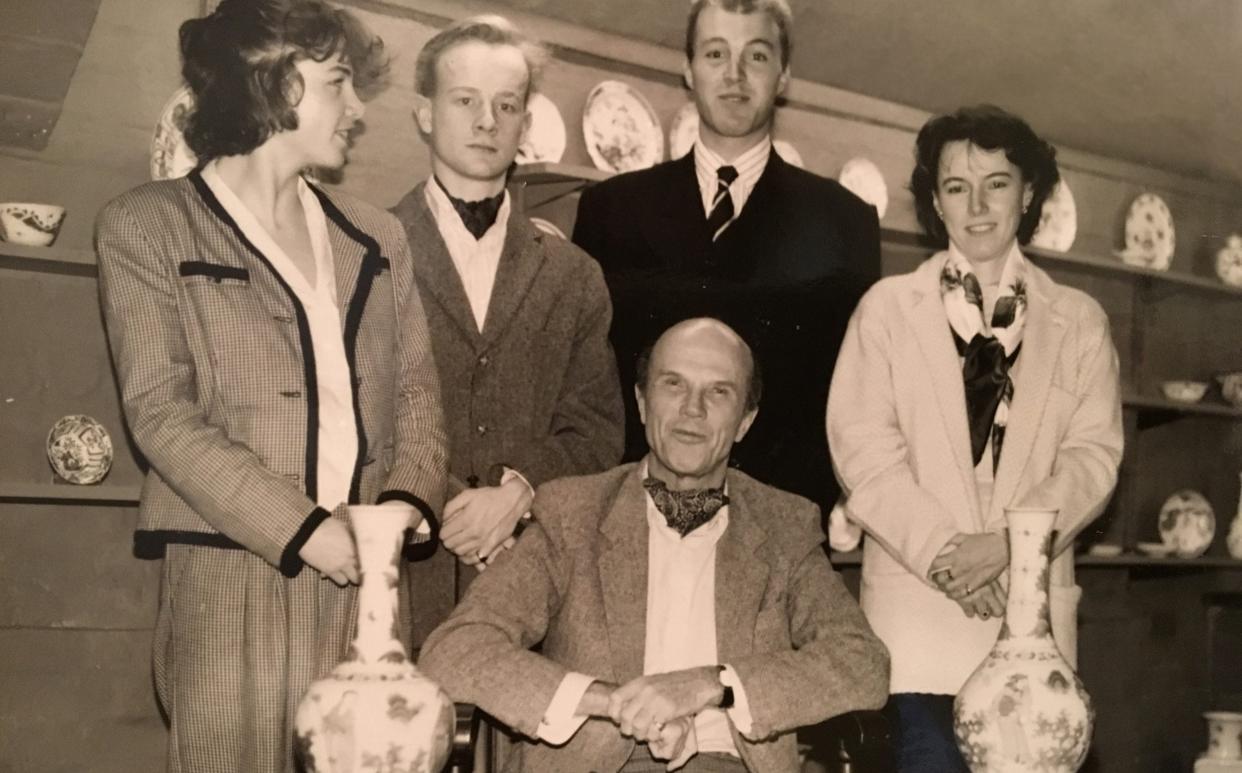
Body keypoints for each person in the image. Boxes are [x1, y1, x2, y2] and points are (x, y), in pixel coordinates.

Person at [94, 1, 447, 770]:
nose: (357, 110)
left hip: (370, 586)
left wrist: (393, 518)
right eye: (339, 83)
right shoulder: (147, 226)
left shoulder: (378, 237)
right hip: (230, 575)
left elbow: (419, 396)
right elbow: (161, 414)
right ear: (272, 82)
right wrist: (307, 531)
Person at [421, 317, 889, 773]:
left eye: (719, 392)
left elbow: (861, 661)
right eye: (674, 385)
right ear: (642, 404)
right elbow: (456, 648)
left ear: (746, 421)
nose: (693, 409)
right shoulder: (573, 513)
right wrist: (610, 700)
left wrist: (711, 684)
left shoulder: (784, 525)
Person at [826, 104, 1123, 771]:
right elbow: (864, 452)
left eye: (997, 182)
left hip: (1034, 634)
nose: (979, 204)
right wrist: (949, 555)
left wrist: (1009, 549)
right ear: (936, 202)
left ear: (1029, 194)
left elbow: (1092, 458)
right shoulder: (886, 310)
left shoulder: (1079, 321)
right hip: (918, 625)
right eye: (957, 187)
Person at [573, 0, 881, 514]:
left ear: (783, 75)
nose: (734, 75)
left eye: (756, 57)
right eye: (715, 54)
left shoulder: (844, 220)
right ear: (687, 70)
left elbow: (857, 394)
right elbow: (586, 380)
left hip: (782, 524)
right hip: (631, 517)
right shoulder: (612, 208)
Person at [390, 15, 624, 643]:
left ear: (525, 122)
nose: (486, 121)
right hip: (404, 583)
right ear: (425, 113)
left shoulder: (573, 275)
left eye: (506, 104)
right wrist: (448, 507)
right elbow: (359, 413)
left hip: (532, 579)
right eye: (465, 100)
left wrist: (518, 493)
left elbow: (597, 429)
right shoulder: (366, 250)